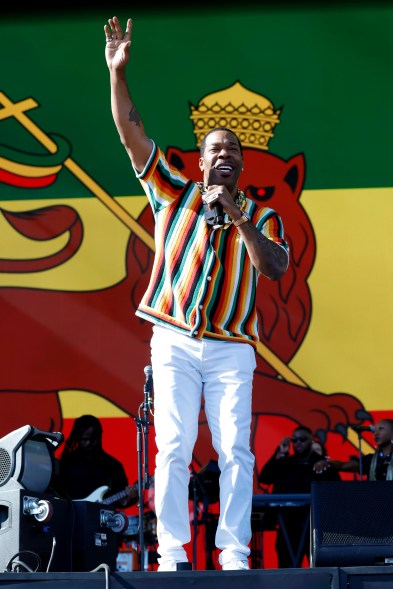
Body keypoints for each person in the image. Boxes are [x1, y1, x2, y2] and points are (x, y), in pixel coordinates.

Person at [103, 15, 289, 572]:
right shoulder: (171, 192)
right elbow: (130, 130)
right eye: (216, 148)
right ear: (202, 159)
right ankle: (173, 554)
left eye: (234, 148)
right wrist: (117, 75)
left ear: (241, 164)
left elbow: (273, 268)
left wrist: (236, 215)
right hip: (175, 339)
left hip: (233, 348)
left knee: (235, 450)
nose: (225, 154)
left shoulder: (262, 214)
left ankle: (233, 554)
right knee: (175, 448)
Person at [258, 425, 341, 568]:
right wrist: (279, 453)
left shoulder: (321, 463)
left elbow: (336, 492)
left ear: (311, 441)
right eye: (294, 440)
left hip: (315, 527)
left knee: (319, 569)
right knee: (287, 570)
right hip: (288, 525)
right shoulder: (285, 462)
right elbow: (264, 478)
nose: (297, 443)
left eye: (302, 439)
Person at [58, 414, 137, 507]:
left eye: (93, 439)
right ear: (78, 438)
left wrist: (131, 498)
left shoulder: (113, 465)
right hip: (73, 515)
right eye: (85, 439)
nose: (89, 443)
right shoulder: (67, 463)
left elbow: (122, 502)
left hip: (103, 517)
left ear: (99, 437)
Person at [314, 418, 393, 480]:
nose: (376, 433)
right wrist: (328, 463)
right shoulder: (371, 460)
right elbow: (343, 465)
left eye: (381, 429)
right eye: (375, 430)